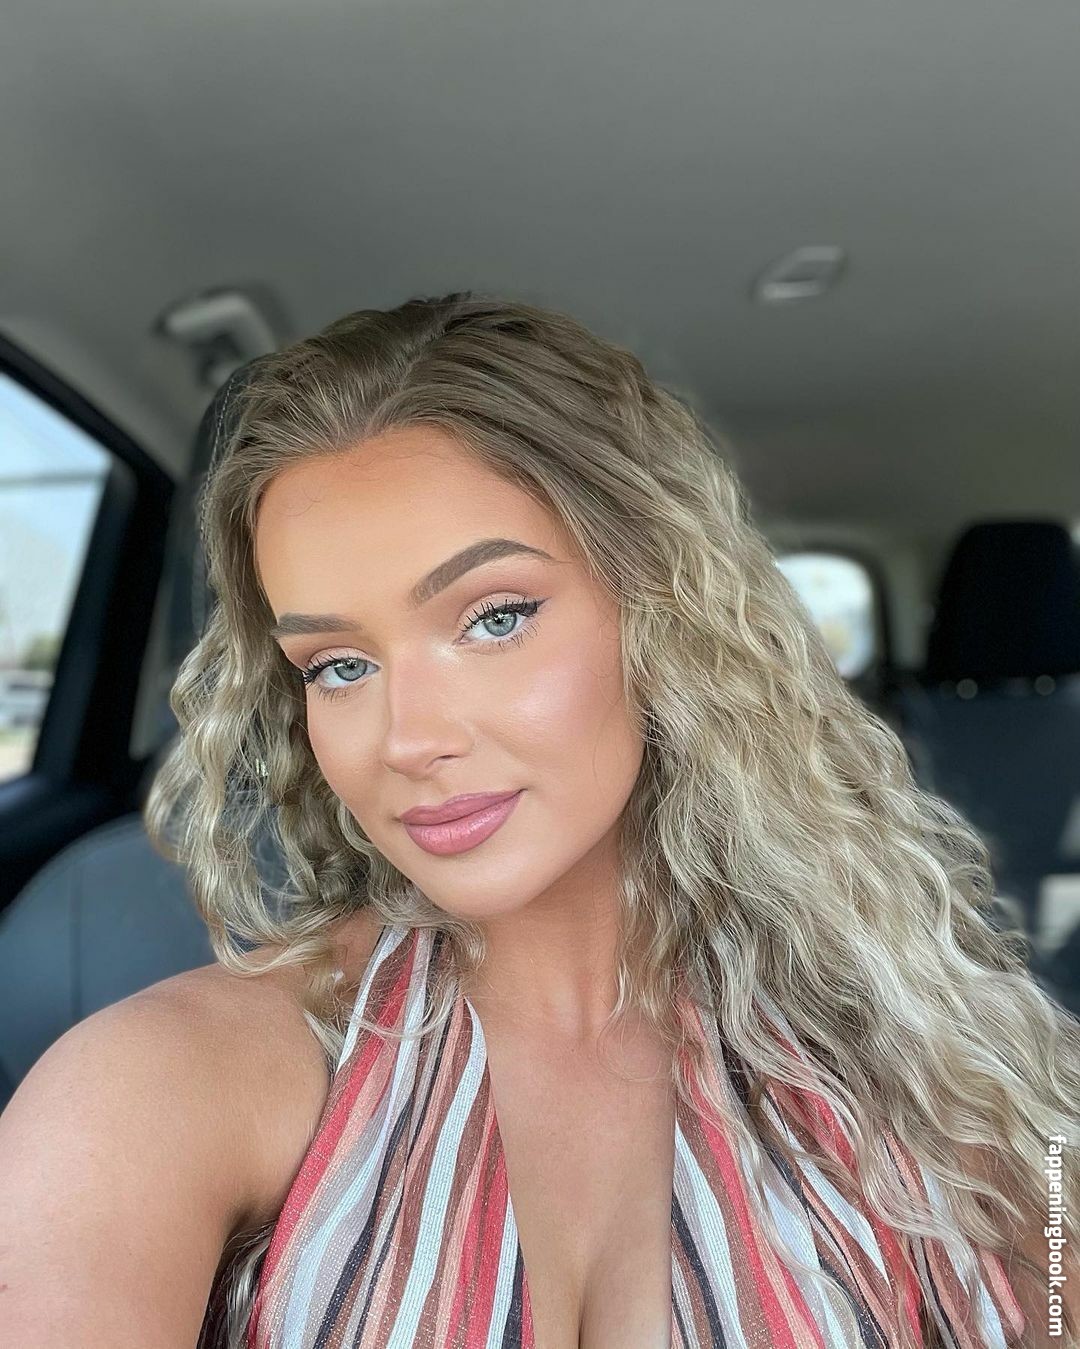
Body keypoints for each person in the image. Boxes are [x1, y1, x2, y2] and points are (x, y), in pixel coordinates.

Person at [1, 292, 1078, 1349]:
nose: (408, 737)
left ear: (664, 613)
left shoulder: (951, 1072)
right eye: (338, 664)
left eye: (495, 617)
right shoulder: (147, 1092)